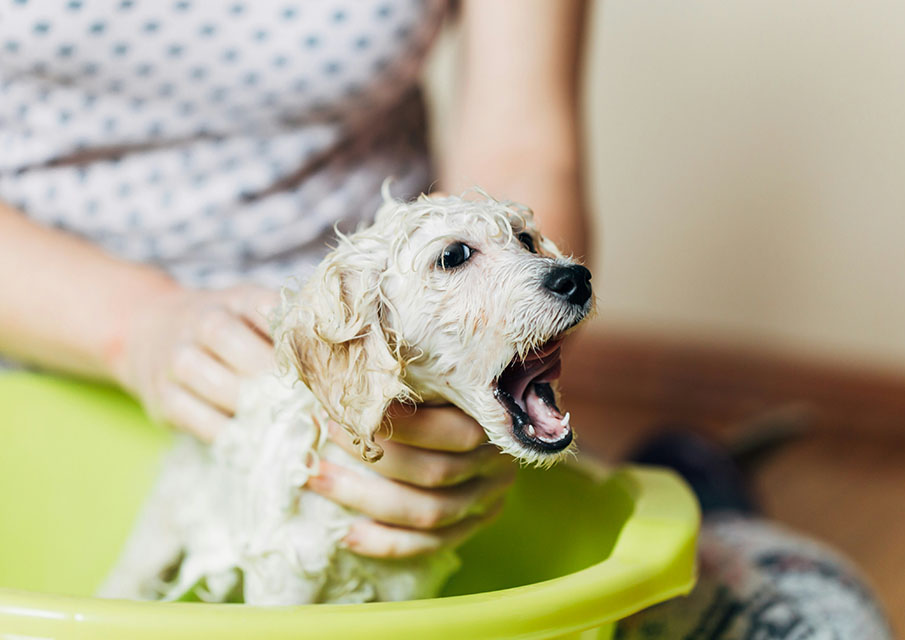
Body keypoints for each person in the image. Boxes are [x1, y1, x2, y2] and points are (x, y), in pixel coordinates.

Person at [0, 0, 589, 559]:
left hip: (399, 368)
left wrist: (478, 378)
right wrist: (136, 325)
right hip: (39, 337)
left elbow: (520, 144)